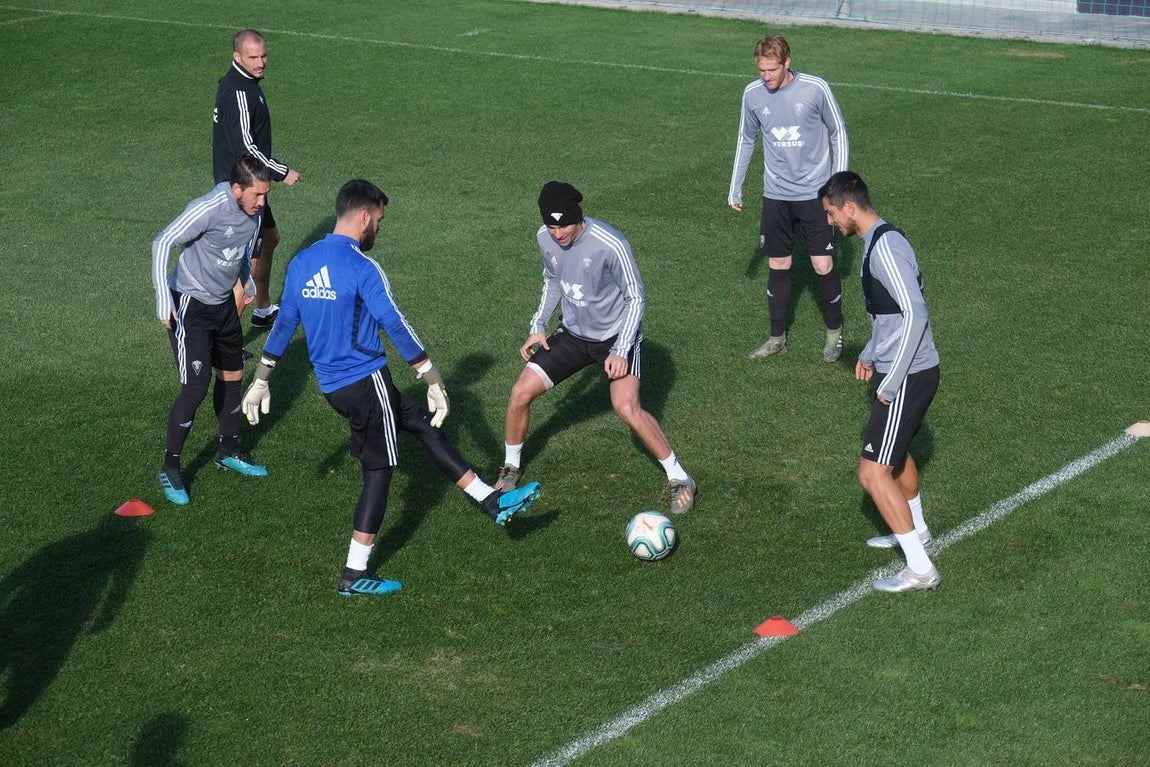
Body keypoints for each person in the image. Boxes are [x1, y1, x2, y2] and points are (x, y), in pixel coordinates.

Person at [241, 180, 542, 597]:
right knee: (379, 472)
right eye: (379, 220)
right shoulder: (362, 267)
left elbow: (286, 321)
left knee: (419, 423)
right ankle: (354, 573)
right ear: (364, 216)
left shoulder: (303, 261)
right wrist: (431, 377)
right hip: (365, 381)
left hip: (334, 387)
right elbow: (394, 324)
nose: (378, 229)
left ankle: (491, 500)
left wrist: (260, 378)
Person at [496, 181, 696, 516]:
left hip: (615, 338)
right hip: (572, 335)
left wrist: (620, 349)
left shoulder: (610, 244)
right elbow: (552, 279)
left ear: (578, 218)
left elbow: (636, 298)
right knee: (519, 393)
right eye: (551, 225)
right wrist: (538, 325)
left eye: (564, 226)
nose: (558, 234)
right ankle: (511, 469)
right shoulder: (544, 238)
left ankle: (680, 477)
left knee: (626, 407)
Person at [818, 171, 940, 593]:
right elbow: (890, 317)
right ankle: (918, 531)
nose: (831, 222)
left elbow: (915, 314)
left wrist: (893, 381)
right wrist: (871, 352)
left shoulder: (885, 247)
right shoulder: (879, 241)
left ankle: (920, 568)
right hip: (901, 369)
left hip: (908, 374)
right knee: (898, 452)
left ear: (849, 206)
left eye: (832, 214)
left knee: (872, 474)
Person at [152, 154, 273, 506]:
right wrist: (164, 299)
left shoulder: (256, 211)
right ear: (237, 189)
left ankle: (229, 450)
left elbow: (239, 251)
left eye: (265, 195)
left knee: (233, 376)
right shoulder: (208, 207)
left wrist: (246, 279)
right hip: (190, 305)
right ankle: (170, 467)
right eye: (257, 195)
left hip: (223, 305)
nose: (262, 202)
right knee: (196, 387)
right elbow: (162, 243)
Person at [728, 34, 849, 363]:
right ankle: (776, 338)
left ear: (786, 63)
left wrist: (837, 186)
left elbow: (838, 130)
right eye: (761, 70)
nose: (765, 76)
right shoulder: (752, 95)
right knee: (778, 264)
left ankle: (835, 335)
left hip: (814, 195)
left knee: (822, 264)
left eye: (771, 69)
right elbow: (745, 138)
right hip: (776, 195)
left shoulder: (815, 89)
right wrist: (735, 185)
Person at [213, 28, 303, 330]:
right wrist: (282, 172)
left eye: (263, 55)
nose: (261, 61)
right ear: (237, 56)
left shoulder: (247, 83)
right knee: (245, 268)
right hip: (244, 190)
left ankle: (263, 309)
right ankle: (226, 341)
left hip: (253, 185)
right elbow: (246, 149)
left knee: (270, 239)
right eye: (253, 57)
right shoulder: (239, 91)